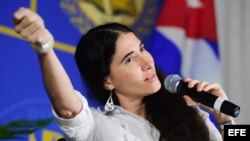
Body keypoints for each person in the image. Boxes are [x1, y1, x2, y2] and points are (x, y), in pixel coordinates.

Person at [13, 7, 234, 141]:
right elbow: (68, 108)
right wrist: (44, 47)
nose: (147, 62)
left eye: (142, 49)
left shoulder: (190, 114)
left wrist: (227, 123)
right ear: (107, 81)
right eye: (129, 59)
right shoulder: (98, 127)